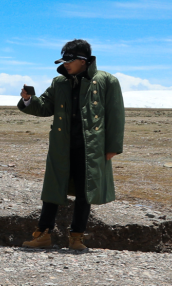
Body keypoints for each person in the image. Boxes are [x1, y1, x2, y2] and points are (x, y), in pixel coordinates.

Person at [18, 39, 124, 252]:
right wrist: (29, 100)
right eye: (63, 61)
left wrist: (112, 147)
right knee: (52, 190)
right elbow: (45, 106)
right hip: (62, 146)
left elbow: (116, 114)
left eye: (69, 61)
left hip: (90, 148)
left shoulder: (107, 81)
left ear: (83, 60)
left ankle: (76, 237)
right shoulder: (59, 83)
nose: (65, 65)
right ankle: (43, 234)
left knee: (85, 193)